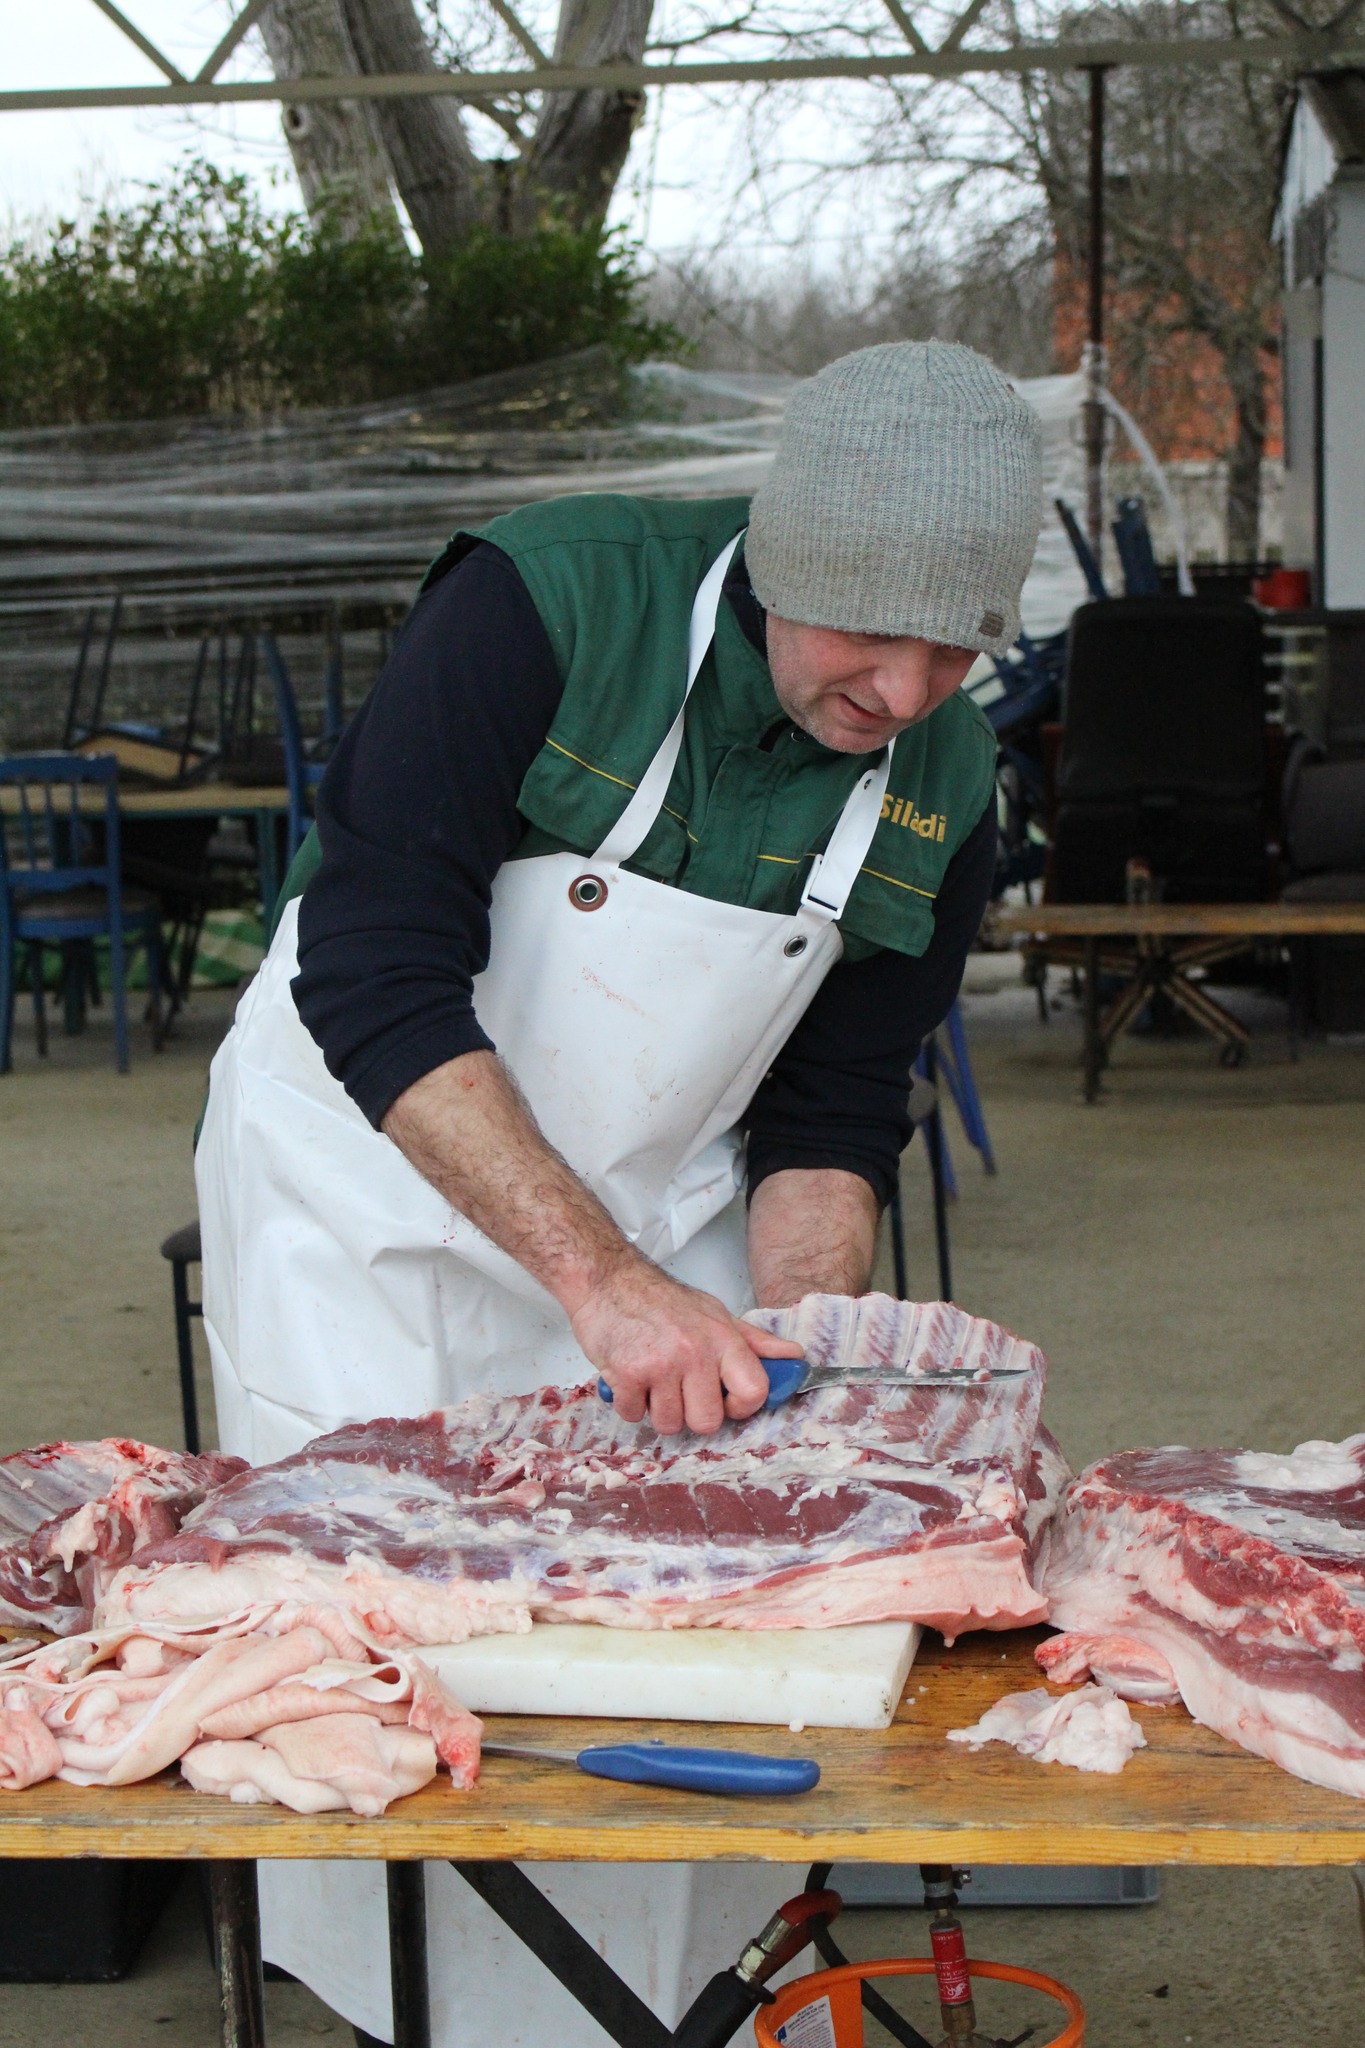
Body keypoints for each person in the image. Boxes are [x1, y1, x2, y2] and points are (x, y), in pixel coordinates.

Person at [196, 338, 1042, 2045]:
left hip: (661, 1218)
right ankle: (412, 2017)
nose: (904, 688)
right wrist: (592, 1280)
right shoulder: (545, 603)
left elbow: (828, 1099)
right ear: (773, 556)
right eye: (863, 636)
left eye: (952, 648)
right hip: (364, 1196)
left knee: (703, 1636)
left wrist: (814, 1336)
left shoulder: (944, 776)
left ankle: (665, 2010)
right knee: (401, 1653)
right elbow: (372, 970)